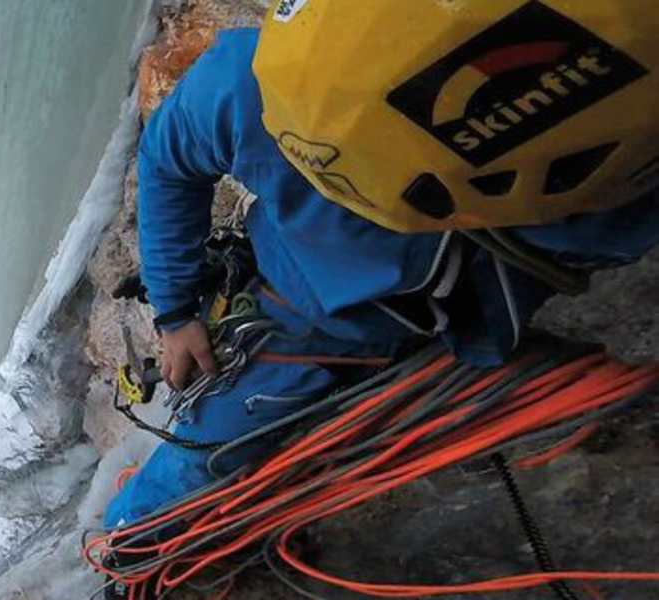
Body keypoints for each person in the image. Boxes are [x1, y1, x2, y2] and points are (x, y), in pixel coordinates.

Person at [104, 1, 659, 529]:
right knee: (182, 478)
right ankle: (127, 544)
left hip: (485, 260)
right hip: (317, 313)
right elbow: (167, 159)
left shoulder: (600, 83)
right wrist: (175, 313)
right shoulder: (256, 82)